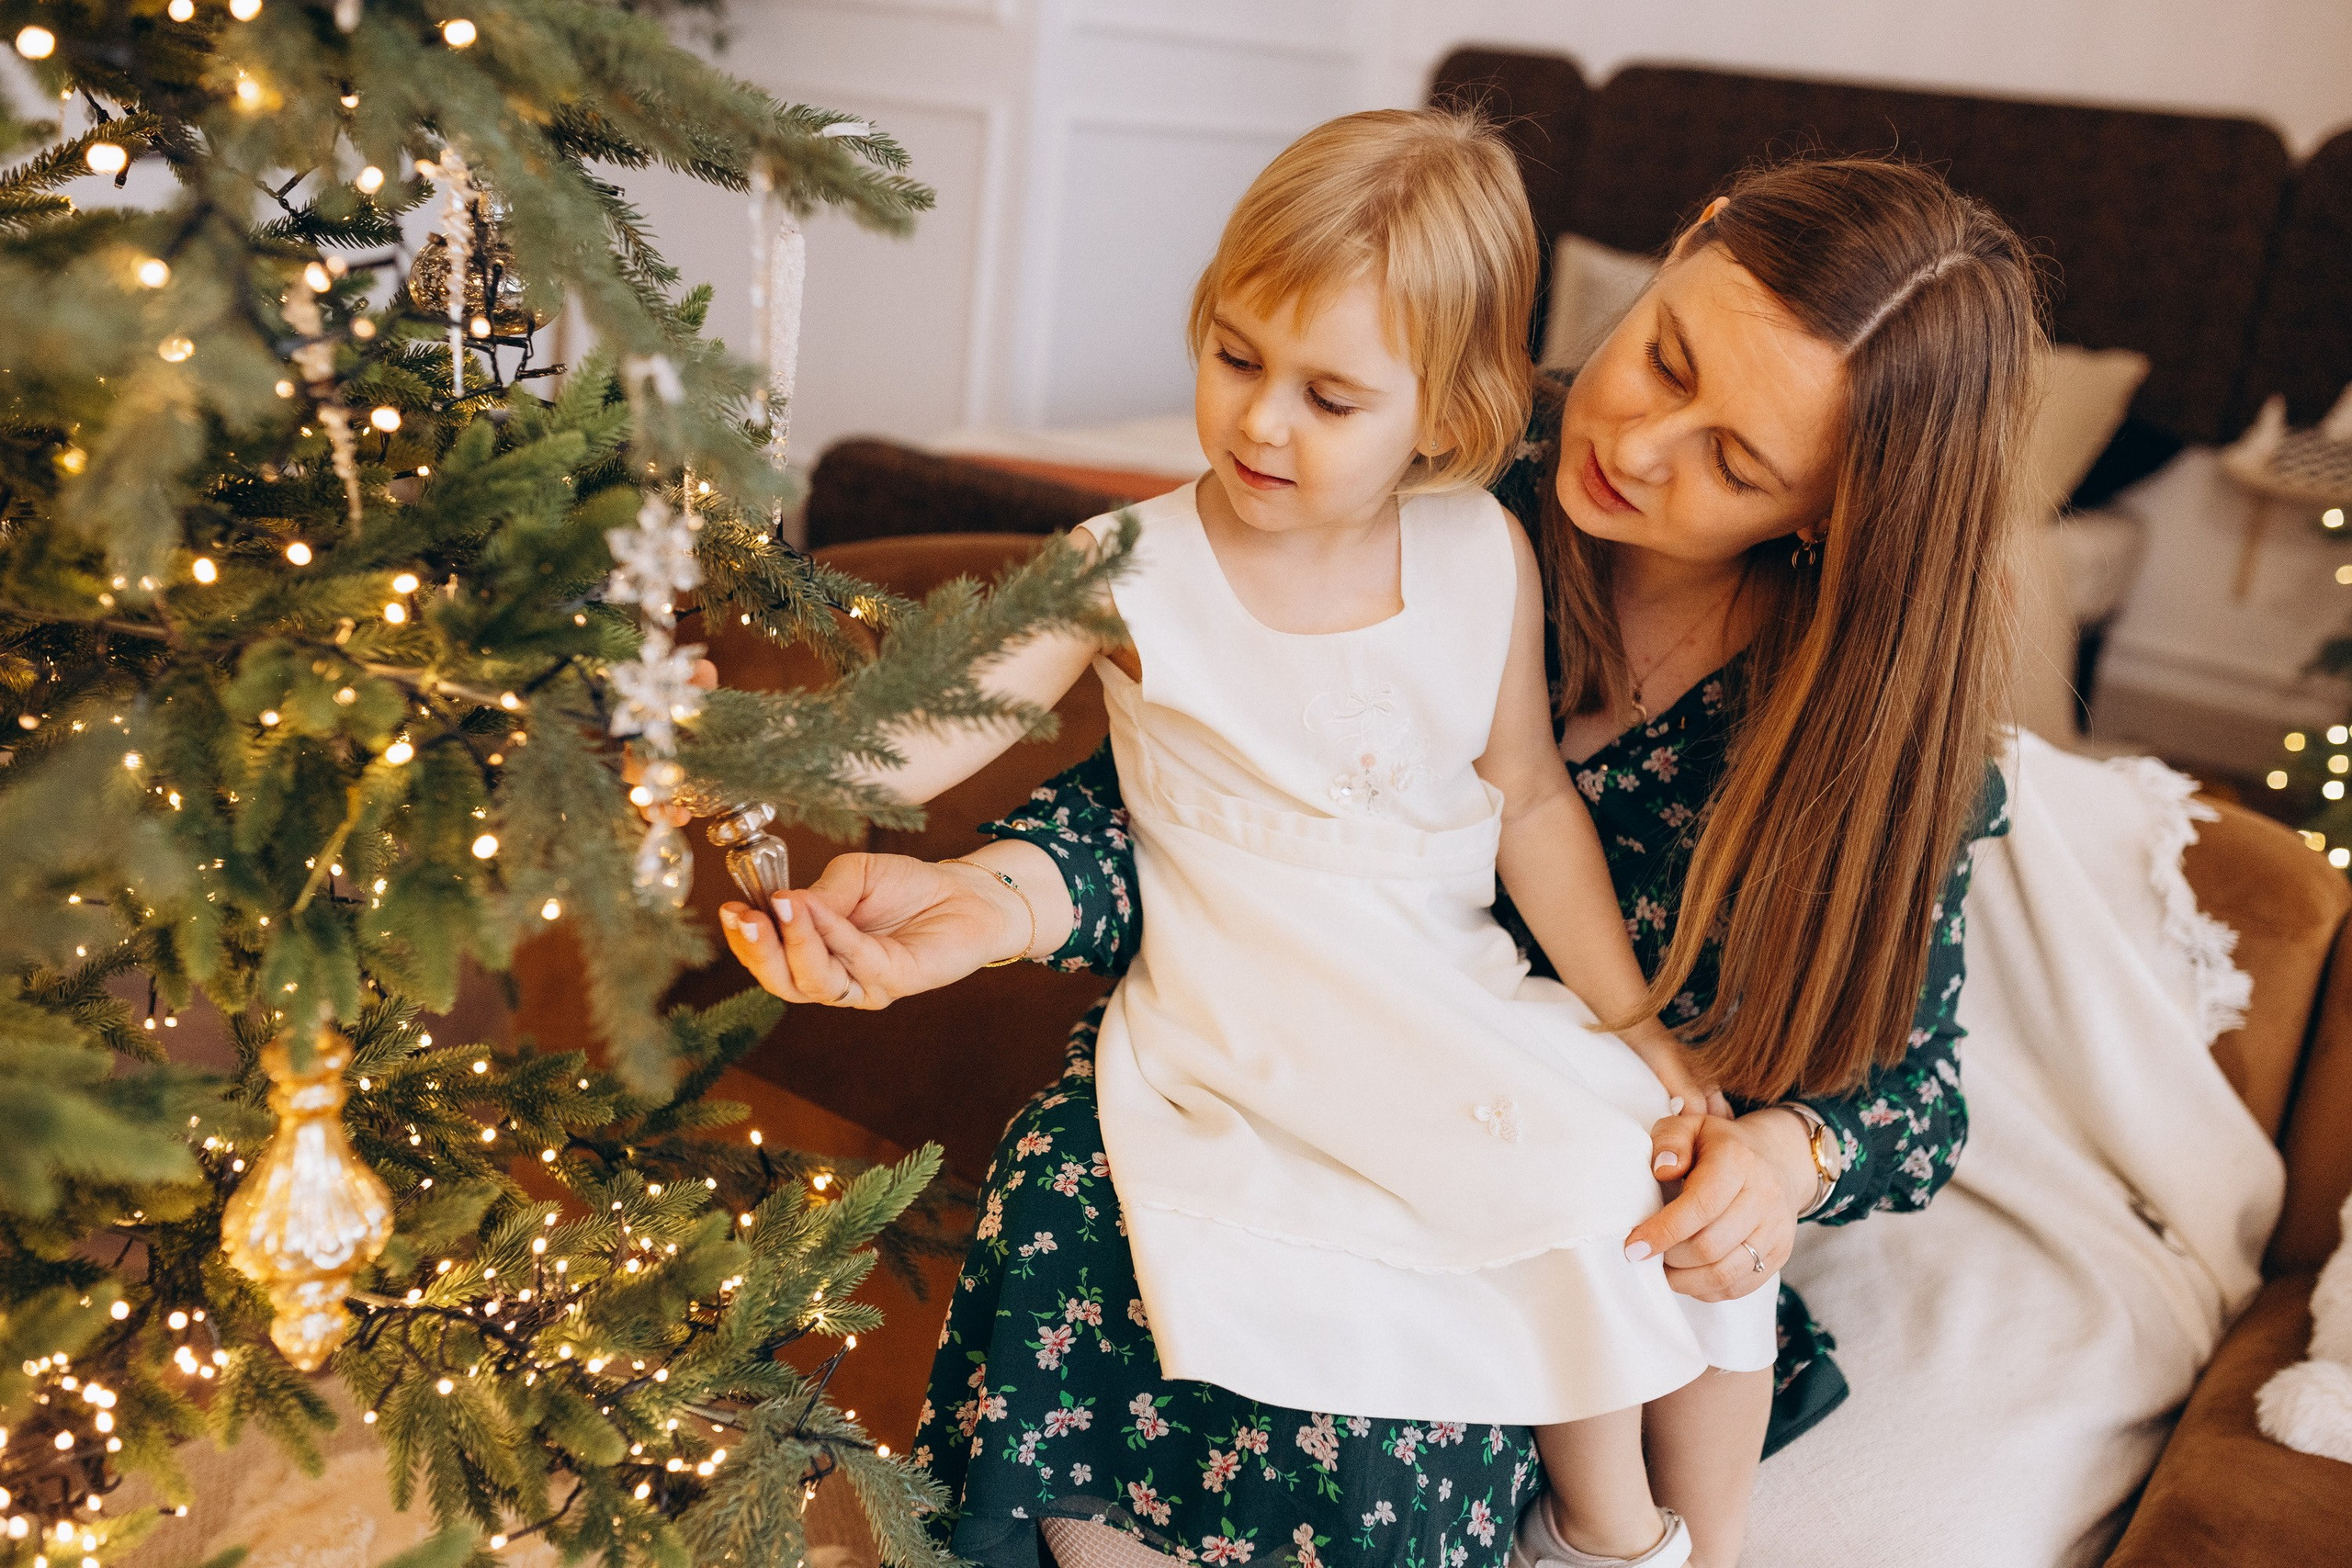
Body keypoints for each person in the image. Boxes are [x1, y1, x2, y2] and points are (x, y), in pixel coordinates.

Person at [724, 142, 2038, 1568]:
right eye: (1664, 359)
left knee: (1454, 1327)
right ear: (1690, 235)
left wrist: (1781, 1157)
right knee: (1087, 1183)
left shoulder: (1866, 732)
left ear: (1833, 512)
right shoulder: (1437, 466)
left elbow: (1915, 1089)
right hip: (1272, 1040)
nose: (1638, 447)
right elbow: (1188, 784)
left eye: (1734, 461)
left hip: (1523, 1106)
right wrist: (989, 896)